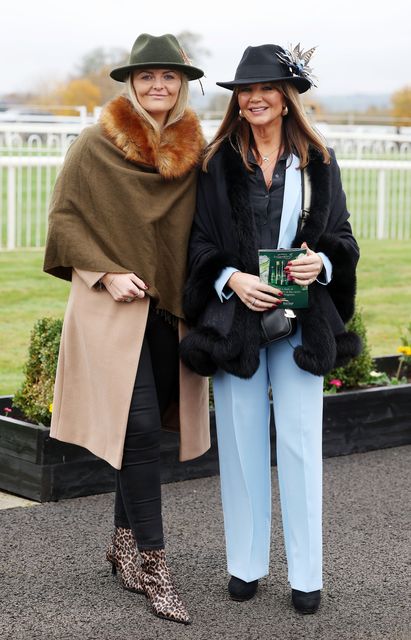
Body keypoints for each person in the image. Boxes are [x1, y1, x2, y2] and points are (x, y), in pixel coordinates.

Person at [180, 43, 361, 614]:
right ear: (238, 101)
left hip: (302, 322)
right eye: (245, 91)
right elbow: (199, 245)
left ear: (286, 99)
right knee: (239, 444)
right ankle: (246, 565)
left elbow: (345, 240)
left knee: (303, 445)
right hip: (236, 321)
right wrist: (231, 278)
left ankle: (307, 576)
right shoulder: (214, 165)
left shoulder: (320, 163)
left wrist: (323, 263)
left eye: (266, 89)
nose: (254, 98)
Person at [43, 33, 210, 625]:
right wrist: (107, 272)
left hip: (168, 310)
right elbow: (64, 220)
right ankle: (156, 567)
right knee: (138, 428)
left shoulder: (196, 150)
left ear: (182, 85)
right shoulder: (94, 145)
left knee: (141, 432)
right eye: (147, 77)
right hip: (110, 305)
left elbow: (212, 224)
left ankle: (120, 545)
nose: (157, 86)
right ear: (131, 85)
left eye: (169, 77)